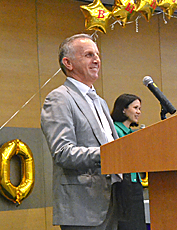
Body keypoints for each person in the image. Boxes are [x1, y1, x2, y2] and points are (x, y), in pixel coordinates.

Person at [41, 33, 122, 230]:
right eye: (88, 55)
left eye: (97, 54)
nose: (96, 60)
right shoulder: (59, 99)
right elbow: (63, 153)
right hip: (82, 207)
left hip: (112, 200)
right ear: (68, 63)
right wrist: (109, 153)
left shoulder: (100, 102)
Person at [111, 94, 147, 230]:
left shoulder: (132, 133)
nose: (139, 112)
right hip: (123, 185)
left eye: (140, 108)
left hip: (136, 184)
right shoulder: (114, 130)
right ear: (123, 110)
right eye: (135, 108)